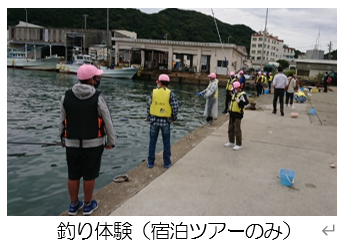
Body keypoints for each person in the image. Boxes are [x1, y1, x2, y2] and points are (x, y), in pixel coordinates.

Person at [59, 64, 115, 216]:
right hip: (94, 143)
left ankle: (73, 205)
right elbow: (107, 120)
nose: (99, 79)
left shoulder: (66, 96)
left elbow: (62, 121)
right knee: (89, 174)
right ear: (91, 80)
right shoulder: (98, 97)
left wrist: (62, 139)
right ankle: (88, 205)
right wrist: (111, 142)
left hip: (71, 143)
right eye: (97, 77)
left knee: (73, 174)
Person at [147, 74, 178, 169]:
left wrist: (149, 117)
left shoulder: (153, 92)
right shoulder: (171, 94)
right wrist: (173, 117)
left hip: (154, 121)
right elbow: (175, 107)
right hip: (165, 121)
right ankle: (167, 163)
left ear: (159, 82)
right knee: (166, 143)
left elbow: (148, 106)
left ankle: (150, 162)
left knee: (152, 142)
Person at [224, 81, 249, 151]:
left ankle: (239, 144)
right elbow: (232, 104)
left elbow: (246, 104)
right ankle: (231, 141)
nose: (233, 90)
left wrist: (240, 102)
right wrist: (229, 111)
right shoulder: (234, 95)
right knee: (230, 128)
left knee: (237, 129)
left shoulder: (242, 95)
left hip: (238, 114)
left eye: (234, 89)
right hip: (232, 114)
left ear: (238, 88)